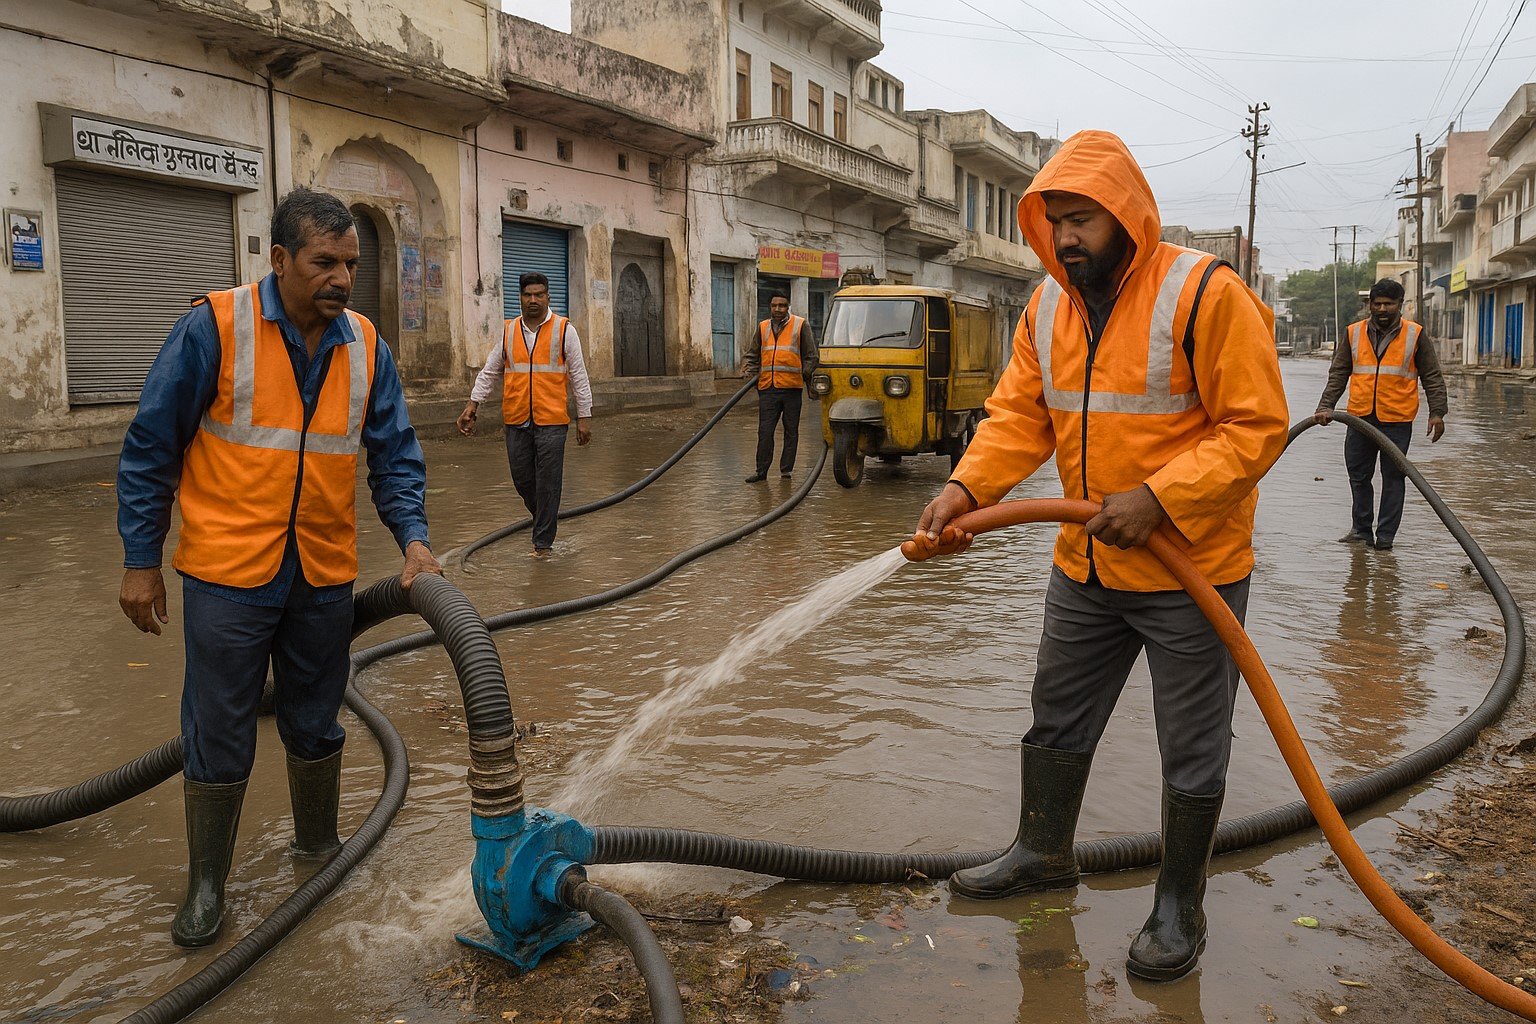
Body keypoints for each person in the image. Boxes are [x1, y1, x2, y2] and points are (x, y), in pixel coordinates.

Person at [909, 131, 1289, 981]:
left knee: (1192, 747)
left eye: (1084, 219)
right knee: (1056, 719)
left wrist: (1159, 498)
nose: (1070, 238)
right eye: (1058, 223)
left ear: (1126, 217)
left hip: (1191, 570)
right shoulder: (1048, 307)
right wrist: (969, 492)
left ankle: (1178, 903)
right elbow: (1018, 418)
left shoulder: (1204, 293)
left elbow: (1257, 427)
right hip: (1084, 564)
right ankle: (1042, 852)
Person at [117, 187, 441, 947]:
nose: (340, 279)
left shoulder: (365, 345)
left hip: (322, 574)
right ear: (280, 257)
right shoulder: (214, 327)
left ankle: (317, 850)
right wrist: (141, 561)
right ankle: (207, 886)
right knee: (218, 728)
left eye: (351, 264)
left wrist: (414, 539)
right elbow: (149, 449)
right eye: (324, 262)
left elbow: (395, 455)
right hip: (229, 575)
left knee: (315, 719)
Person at [457, 273, 592, 556]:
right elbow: (491, 370)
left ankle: (542, 545)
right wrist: (473, 404)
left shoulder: (564, 330)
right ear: (520, 297)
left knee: (548, 481)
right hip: (517, 419)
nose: (533, 300)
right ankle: (545, 517)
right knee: (523, 481)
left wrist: (584, 416)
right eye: (528, 295)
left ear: (548, 297)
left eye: (539, 295)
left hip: (552, 421)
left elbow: (579, 375)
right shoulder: (508, 331)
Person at [1313, 279, 1447, 551]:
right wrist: (1325, 406)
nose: (1382, 308)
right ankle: (1362, 531)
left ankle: (1385, 537)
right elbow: (1339, 373)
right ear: (1370, 305)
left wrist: (1437, 412)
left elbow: (1431, 375)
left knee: (1394, 478)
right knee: (1358, 476)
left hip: (1397, 419)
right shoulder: (1353, 333)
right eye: (1377, 303)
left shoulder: (1415, 334)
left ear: (1400, 305)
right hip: (1360, 417)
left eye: (1389, 303)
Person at [741, 291, 818, 482]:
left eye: (782, 305)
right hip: (767, 388)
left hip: (792, 388)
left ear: (788, 306)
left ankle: (786, 471)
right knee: (765, 432)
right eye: (774, 305)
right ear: (770, 307)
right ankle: (761, 472)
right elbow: (753, 354)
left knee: (791, 431)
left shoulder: (800, 325)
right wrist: (750, 373)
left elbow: (812, 356)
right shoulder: (763, 327)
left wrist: (804, 374)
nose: (778, 309)